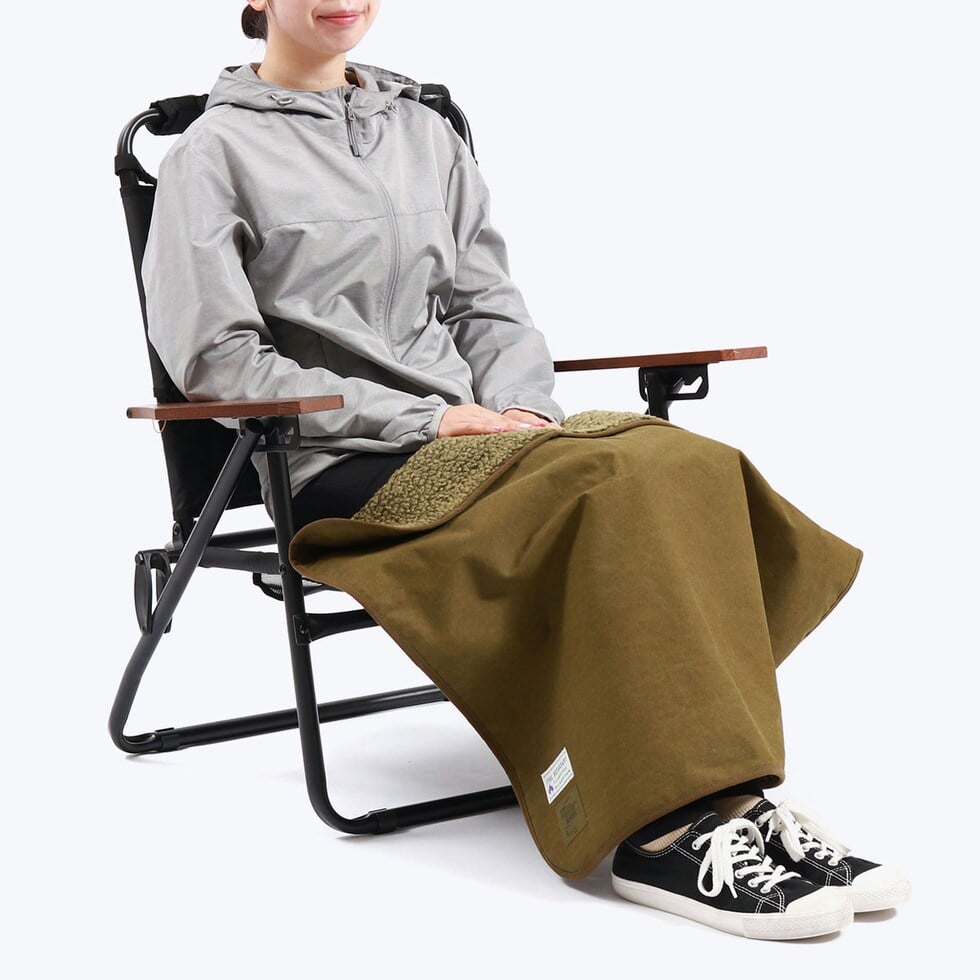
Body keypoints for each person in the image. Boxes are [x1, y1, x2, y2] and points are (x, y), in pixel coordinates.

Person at [141, 1, 909, 940]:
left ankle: (739, 803)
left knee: (687, 463)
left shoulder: (423, 131)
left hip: (486, 438)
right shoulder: (210, 153)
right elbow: (216, 359)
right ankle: (659, 836)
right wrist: (429, 417)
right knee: (608, 489)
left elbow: (489, 306)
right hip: (339, 461)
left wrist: (523, 411)